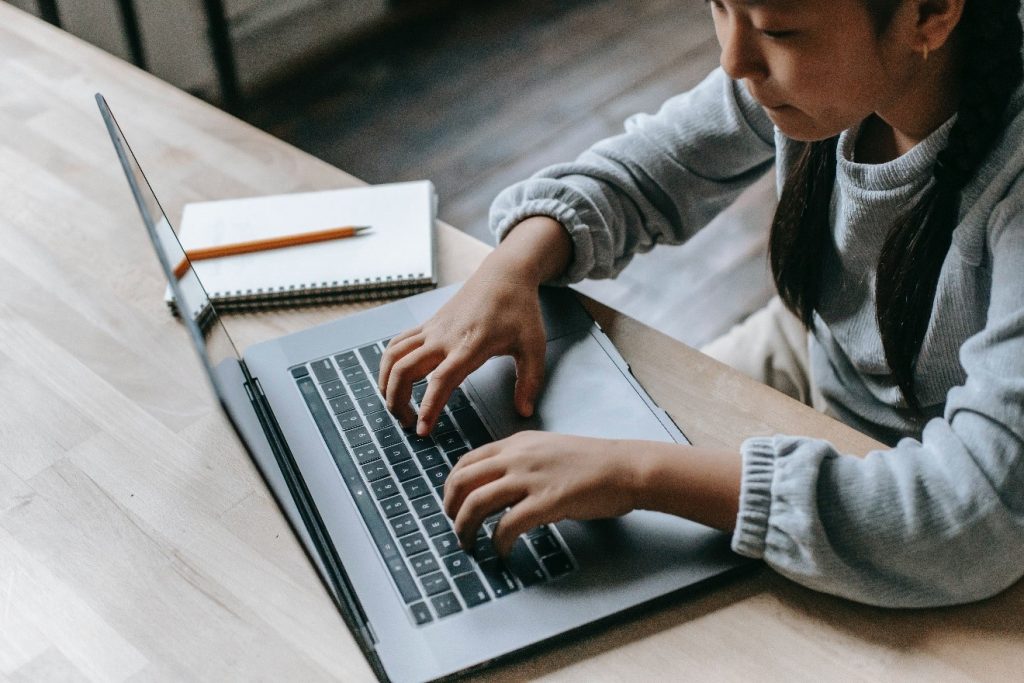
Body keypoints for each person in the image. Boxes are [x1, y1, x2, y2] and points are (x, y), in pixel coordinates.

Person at [377, 0, 1024, 607]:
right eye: (719, 7)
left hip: (941, 480)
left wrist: (638, 472)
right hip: (823, 356)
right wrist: (513, 266)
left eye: (777, 31)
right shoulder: (813, 78)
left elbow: (973, 513)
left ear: (932, 13)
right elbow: (653, 166)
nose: (734, 61)